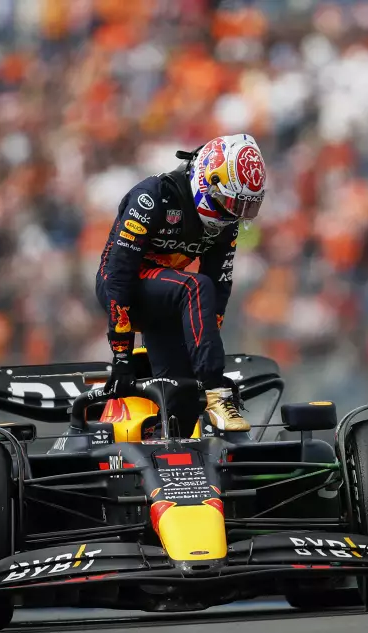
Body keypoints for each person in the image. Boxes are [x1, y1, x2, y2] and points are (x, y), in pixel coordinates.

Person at [95, 134, 267, 432]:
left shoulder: (225, 225)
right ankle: (217, 392)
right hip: (122, 288)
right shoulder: (151, 197)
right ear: (207, 181)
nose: (235, 213)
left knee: (183, 399)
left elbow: (219, 289)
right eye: (231, 202)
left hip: (170, 301)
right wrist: (122, 353)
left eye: (243, 207)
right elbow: (119, 276)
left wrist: (200, 360)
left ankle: (174, 449)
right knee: (195, 286)